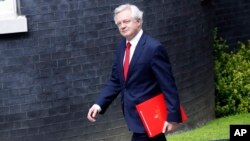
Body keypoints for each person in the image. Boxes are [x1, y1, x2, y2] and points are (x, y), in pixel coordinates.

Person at [87, 3, 182, 141]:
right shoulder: (121, 47)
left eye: (126, 21)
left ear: (138, 22)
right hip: (134, 116)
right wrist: (99, 104)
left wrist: (173, 117)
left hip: (150, 116)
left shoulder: (154, 48)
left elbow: (168, 85)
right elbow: (116, 81)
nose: (122, 26)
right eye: (119, 23)